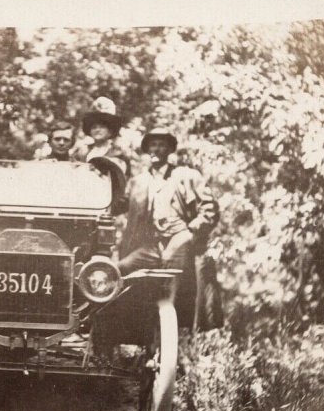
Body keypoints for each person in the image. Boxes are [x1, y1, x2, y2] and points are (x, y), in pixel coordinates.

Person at [117, 128, 219, 326]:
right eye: (153, 145)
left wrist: (193, 229)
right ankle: (131, 332)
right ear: (147, 149)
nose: (157, 149)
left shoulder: (186, 176)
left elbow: (210, 208)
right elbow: (118, 204)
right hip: (150, 244)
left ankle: (175, 338)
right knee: (121, 270)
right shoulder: (138, 181)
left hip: (178, 236)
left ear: (170, 149)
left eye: (162, 145)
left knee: (173, 286)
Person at [77, 97, 132, 175]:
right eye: (94, 127)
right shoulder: (83, 151)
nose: (97, 130)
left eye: (102, 127)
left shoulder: (118, 152)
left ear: (110, 131)